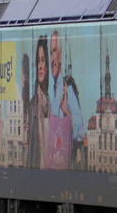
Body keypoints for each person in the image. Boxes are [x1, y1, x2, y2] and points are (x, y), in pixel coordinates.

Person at [49, 31, 85, 165]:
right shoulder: (52, 93)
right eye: (50, 53)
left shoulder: (67, 87)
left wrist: (67, 113)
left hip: (65, 165)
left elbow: (79, 132)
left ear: (60, 54)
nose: (52, 58)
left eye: (54, 51)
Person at [25, 36, 50, 168]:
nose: (40, 66)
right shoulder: (33, 104)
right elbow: (31, 149)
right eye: (38, 61)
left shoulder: (50, 103)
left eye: (43, 60)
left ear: (47, 66)